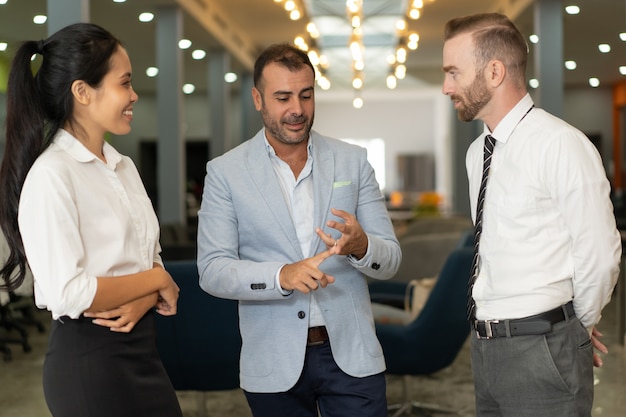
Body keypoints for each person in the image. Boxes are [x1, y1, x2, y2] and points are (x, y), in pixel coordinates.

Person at [197, 43, 402, 417]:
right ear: (257, 98)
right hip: (273, 359)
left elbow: (389, 259)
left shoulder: (352, 162)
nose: (297, 109)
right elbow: (213, 271)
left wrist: (361, 246)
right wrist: (282, 275)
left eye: (306, 95)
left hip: (352, 357)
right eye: (283, 97)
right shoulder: (225, 173)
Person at [441, 13, 621, 417]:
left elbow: (601, 253)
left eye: (453, 73)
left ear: (494, 71)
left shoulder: (561, 144)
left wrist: (576, 330)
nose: (445, 87)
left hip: (542, 347)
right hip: (486, 349)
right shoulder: (477, 154)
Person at [0, 23, 182, 417]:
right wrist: (156, 281)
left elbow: (150, 258)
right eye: (124, 83)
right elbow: (69, 293)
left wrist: (148, 291)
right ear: (82, 92)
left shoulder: (123, 166)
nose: (134, 96)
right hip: (90, 363)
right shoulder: (53, 175)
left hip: (142, 348)